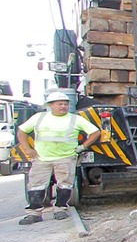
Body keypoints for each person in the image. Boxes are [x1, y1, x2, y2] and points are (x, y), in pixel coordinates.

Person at [16, 90, 101, 224]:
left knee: (65, 185)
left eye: (65, 104)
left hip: (66, 158)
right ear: (51, 105)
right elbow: (22, 131)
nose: (63, 107)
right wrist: (27, 148)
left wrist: (82, 147)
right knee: (36, 186)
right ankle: (34, 214)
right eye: (59, 104)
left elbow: (95, 132)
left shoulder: (75, 119)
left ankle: (60, 209)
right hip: (41, 158)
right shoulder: (39, 117)